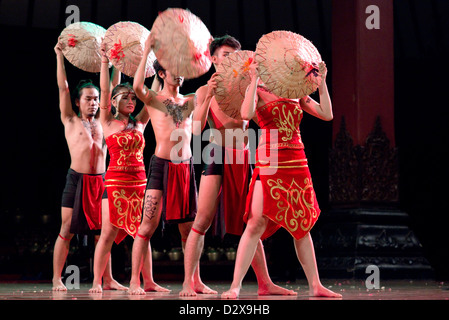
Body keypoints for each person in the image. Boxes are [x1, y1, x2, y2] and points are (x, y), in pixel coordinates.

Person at [179, 35, 296, 297]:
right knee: (202, 221)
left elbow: (266, 116)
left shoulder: (246, 85)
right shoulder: (202, 90)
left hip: (244, 154)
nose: (230, 58)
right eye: (225, 54)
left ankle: (265, 284)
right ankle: (190, 282)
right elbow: (196, 130)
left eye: (235, 54)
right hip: (217, 152)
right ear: (213, 58)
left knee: (253, 221)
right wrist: (208, 94)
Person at [221, 60, 342, 299]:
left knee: (302, 225)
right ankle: (235, 286)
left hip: (296, 159)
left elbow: (327, 114)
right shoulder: (259, 88)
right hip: (269, 159)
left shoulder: (296, 90)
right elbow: (246, 114)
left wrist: (322, 83)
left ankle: (315, 286)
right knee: (255, 222)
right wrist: (254, 80)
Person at [128, 35, 202, 295]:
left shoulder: (191, 99)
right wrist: (148, 49)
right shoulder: (155, 100)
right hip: (161, 165)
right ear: (161, 72)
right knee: (146, 226)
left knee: (189, 230)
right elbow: (137, 87)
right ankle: (136, 282)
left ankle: (194, 282)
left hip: (185, 168)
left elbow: (211, 94)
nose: (179, 74)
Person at [53, 40, 124, 291]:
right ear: (77, 102)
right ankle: (57, 278)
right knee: (66, 230)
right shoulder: (70, 120)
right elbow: (63, 88)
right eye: (89, 99)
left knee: (103, 234)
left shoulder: (105, 122)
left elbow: (112, 89)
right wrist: (59, 56)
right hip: (77, 179)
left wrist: (116, 61)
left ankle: (108, 279)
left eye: (96, 99)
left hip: (101, 181)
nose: (94, 103)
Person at [89, 42, 156, 293]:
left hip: (140, 183)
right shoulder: (107, 120)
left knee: (143, 233)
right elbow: (105, 88)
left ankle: (146, 281)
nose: (131, 100)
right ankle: (98, 281)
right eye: (125, 97)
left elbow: (150, 94)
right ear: (113, 101)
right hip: (115, 184)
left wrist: (151, 61)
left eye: (132, 97)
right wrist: (106, 61)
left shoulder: (140, 122)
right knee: (107, 233)